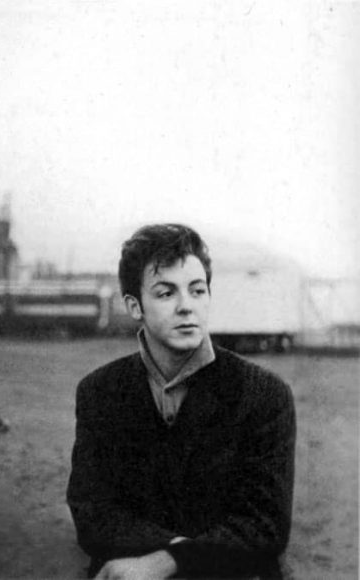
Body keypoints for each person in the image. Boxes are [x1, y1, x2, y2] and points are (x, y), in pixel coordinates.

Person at [66, 224, 296, 580]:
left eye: (197, 290)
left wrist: (169, 561)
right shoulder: (100, 392)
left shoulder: (264, 395)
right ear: (134, 306)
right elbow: (93, 512)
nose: (186, 306)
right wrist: (179, 551)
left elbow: (265, 525)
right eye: (166, 293)